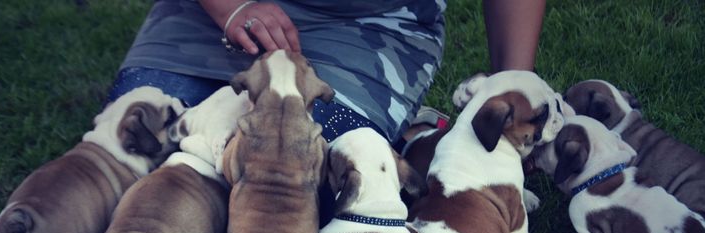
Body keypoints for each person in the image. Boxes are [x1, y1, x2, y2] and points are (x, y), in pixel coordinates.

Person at [107, 0, 546, 144]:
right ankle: (405, 140)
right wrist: (231, 7)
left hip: (365, 25)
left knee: (291, 175)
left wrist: (513, 96)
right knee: (130, 151)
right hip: (215, 14)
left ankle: (395, 137)